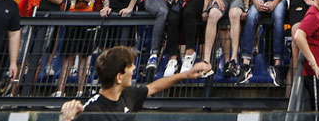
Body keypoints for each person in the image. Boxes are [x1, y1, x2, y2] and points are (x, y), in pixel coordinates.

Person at [58, 45, 209, 119]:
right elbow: (70, 114)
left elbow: (153, 87)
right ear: (119, 77)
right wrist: (67, 115)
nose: (134, 68)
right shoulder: (91, 111)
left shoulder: (129, 94)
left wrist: (186, 74)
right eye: (130, 66)